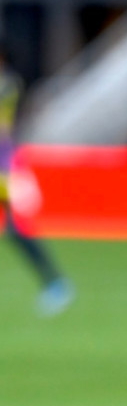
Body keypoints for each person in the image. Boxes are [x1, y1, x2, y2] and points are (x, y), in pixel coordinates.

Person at [0, 52, 74, 316]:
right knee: (14, 229)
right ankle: (55, 283)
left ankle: (56, 283)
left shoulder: (7, 84)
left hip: (4, 165)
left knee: (16, 229)